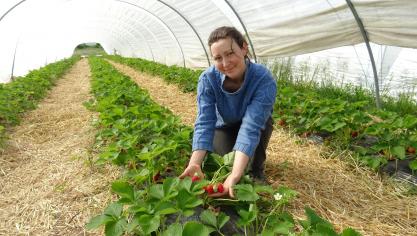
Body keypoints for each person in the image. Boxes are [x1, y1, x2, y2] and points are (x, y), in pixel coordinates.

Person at [179, 26, 277, 198]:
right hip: (223, 126)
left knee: (243, 171)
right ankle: (239, 162)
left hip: (251, 125)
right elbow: (205, 122)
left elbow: (251, 127)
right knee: (225, 164)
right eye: (218, 58)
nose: (225, 63)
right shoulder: (208, 79)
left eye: (230, 53)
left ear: (244, 48)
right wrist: (195, 163)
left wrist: (235, 174)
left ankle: (257, 169)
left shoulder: (263, 79)